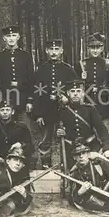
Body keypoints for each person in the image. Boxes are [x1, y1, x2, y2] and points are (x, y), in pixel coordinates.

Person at [31, 39, 78, 167]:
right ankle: (47, 167)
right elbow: (37, 93)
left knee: (67, 139)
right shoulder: (41, 70)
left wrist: (68, 100)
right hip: (46, 112)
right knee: (45, 141)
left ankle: (67, 165)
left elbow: (76, 91)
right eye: (51, 49)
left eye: (56, 49)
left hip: (64, 111)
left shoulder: (69, 70)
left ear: (61, 51)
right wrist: (38, 114)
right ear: (47, 51)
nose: (53, 52)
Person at [56, 79, 109, 168]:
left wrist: (107, 148)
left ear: (83, 93)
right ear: (68, 93)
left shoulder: (90, 109)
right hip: (71, 149)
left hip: (90, 146)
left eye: (78, 91)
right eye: (72, 91)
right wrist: (58, 132)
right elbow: (57, 131)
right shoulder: (62, 111)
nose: (75, 94)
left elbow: (101, 130)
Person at [0, 25, 35, 131]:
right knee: (7, 132)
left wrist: (30, 101)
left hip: (22, 100)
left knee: (25, 130)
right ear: (4, 38)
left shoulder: (26, 56)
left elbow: (31, 80)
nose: (11, 38)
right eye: (8, 36)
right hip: (5, 101)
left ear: (18, 37)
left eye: (14, 35)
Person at [75, 32, 109, 135]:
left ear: (102, 49)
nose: (95, 50)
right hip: (86, 105)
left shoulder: (108, 64)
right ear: (88, 48)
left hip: (103, 106)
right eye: (92, 47)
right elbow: (76, 86)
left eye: (98, 47)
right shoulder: (81, 64)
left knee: (105, 133)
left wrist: (104, 92)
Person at [0, 99, 35, 170]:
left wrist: (21, 144)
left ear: (13, 112)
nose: (5, 112)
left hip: (16, 159)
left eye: (7, 110)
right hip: (0, 158)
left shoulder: (21, 127)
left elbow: (31, 147)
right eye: (2, 110)